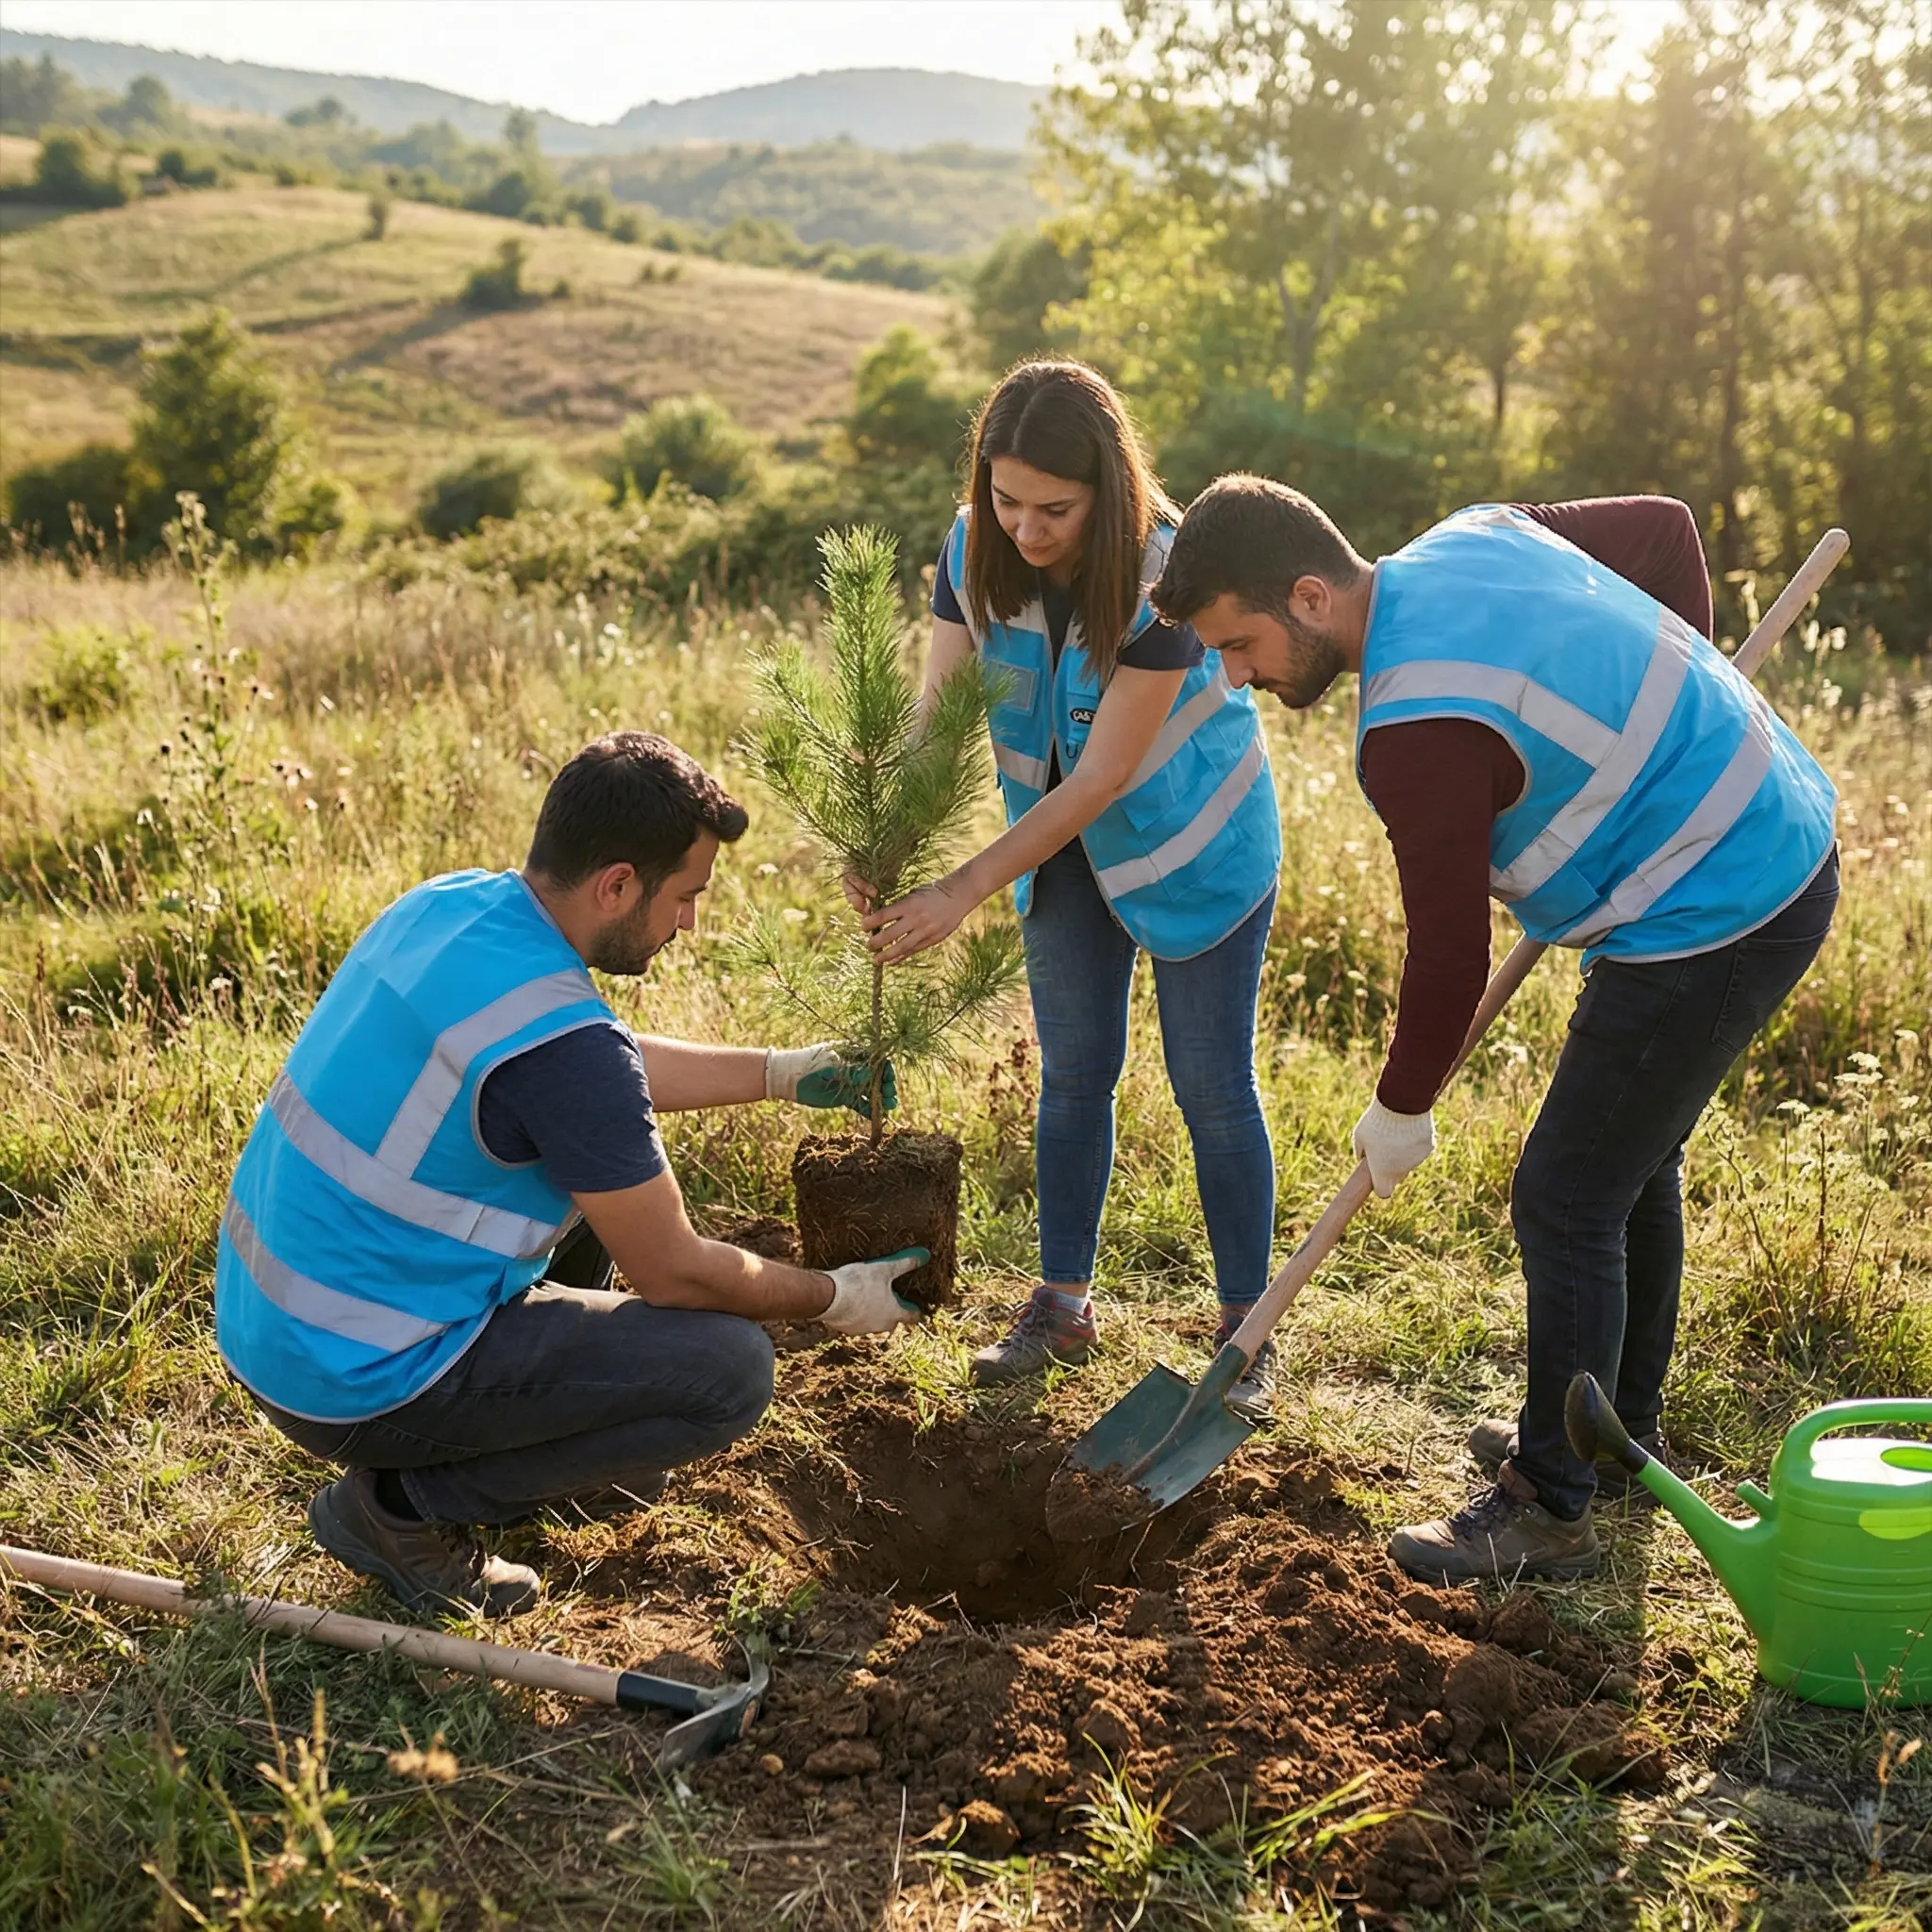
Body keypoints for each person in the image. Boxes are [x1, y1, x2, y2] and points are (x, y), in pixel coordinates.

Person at [1151, 483, 1838, 1581]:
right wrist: (1674, 743)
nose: (1234, 675)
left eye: (1238, 644)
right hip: (1763, 830)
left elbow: (1445, 955)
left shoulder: (1412, 726)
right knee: (1623, 1164)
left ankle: (1547, 1505)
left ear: (1309, 596)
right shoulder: (1472, 533)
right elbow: (1663, 527)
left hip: (1719, 899)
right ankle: (1612, 1438)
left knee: (1564, 1193)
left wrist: (1400, 1104)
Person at [217, 730, 924, 1619]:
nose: (688, 924)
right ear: (616, 885)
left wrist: (777, 1073)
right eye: (684, 897)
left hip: (273, 1320)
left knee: (609, 1177)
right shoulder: (567, 1057)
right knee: (729, 1371)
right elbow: (673, 1267)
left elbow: (590, 1073)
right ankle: (401, 1509)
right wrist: (833, 1296)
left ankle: (554, 1444)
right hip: (357, 1376)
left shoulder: (450, 906)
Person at [856, 361, 1283, 1410]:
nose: (1025, 528)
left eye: (1054, 509)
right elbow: (938, 715)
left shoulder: (1163, 571)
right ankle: (1061, 1307)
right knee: (1074, 1073)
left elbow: (1102, 777)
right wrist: (893, 838)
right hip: (1059, 849)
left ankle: (1246, 1331)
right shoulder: (971, 548)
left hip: (1192, 846)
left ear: (1107, 488)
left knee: (1210, 1085)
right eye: (1006, 500)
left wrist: (959, 890)